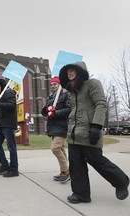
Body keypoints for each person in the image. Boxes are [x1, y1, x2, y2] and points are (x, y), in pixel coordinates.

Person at [59, 61, 129, 204]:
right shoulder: (71, 91)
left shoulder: (92, 84)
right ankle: (81, 194)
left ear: (80, 71)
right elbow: (72, 111)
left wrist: (97, 127)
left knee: (97, 161)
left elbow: (101, 104)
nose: (69, 73)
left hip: (90, 131)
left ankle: (122, 182)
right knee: (76, 164)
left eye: (72, 70)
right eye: (67, 72)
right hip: (73, 135)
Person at [41, 76, 71, 183]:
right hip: (52, 126)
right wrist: (47, 109)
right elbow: (44, 111)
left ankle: (66, 171)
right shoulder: (51, 97)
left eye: (55, 84)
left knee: (55, 148)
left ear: (59, 84)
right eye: (52, 84)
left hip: (62, 125)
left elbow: (69, 109)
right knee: (61, 149)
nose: (53, 86)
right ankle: (64, 172)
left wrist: (56, 112)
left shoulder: (66, 94)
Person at [0, 79, 19, 177]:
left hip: (8, 124)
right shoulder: (2, 95)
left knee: (11, 147)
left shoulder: (9, 92)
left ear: (2, 86)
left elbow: (12, 105)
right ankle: (4, 165)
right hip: (1, 125)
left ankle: (14, 169)